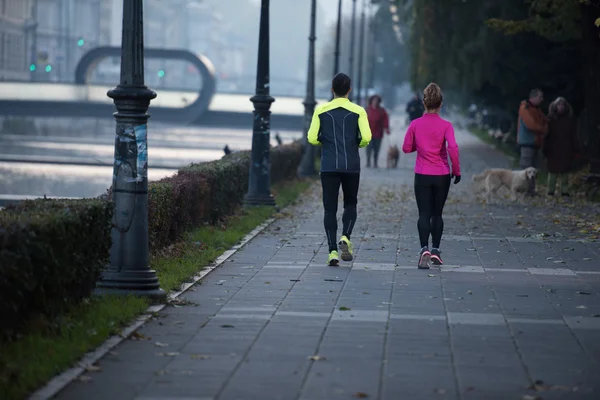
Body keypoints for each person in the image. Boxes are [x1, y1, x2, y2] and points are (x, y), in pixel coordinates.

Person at [307, 73, 372, 266]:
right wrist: (356, 145)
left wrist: (325, 143)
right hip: (351, 165)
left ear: (332, 90)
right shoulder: (359, 111)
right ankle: (346, 236)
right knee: (350, 204)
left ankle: (332, 251)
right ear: (349, 90)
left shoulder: (321, 110)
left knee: (330, 208)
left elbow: (311, 138)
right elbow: (367, 137)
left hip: (329, 165)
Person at [402, 83, 461, 269]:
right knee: (437, 214)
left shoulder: (415, 124)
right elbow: (452, 147)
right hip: (442, 174)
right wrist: (456, 170)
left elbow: (406, 148)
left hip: (422, 174)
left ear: (424, 103)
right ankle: (436, 249)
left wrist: (418, 146)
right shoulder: (446, 126)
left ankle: (423, 249)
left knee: (423, 214)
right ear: (441, 103)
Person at [543, 97, 578, 197]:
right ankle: (551, 190)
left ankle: (564, 191)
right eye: (559, 105)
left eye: (563, 105)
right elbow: (546, 134)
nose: (561, 107)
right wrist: (545, 147)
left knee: (565, 172)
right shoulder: (550, 119)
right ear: (555, 106)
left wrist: (575, 147)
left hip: (566, 148)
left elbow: (573, 134)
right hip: (553, 148)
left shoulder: (569, 119)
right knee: (552, 171)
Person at [517, 88, 548, 195]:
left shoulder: (536, 109)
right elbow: (531, 125)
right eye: (540, 97)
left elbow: (545, 121)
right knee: (526, 168)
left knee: (533, 169)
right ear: (533, 97)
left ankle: (531, 190)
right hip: (527, 142)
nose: (542, 99)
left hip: (535, 142)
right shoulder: (525, 108)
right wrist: (544, 129)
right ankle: (522, 189)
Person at [365, 94, 390, 168]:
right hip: (368, 132)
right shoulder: (367, 109)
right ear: (371, 101)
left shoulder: (381, 110)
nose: (375, 102)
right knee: (369, 148)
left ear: (379, 102)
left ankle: (375, 162)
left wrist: (386, 128)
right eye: (374, 100)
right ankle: (368, 162)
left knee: (377, 148)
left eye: (376, 100)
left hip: (378, 132)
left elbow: (385, 119)